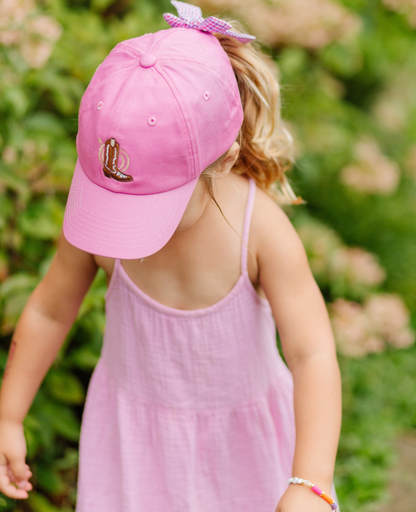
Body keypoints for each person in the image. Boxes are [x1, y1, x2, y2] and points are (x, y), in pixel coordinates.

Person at [0, 2, 342, 511]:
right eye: (113, 198)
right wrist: (7, 416)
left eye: (147, 203)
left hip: (243, 451)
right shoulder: (101, 216)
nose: (120, 220)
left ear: (221, 158)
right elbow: (51, 308)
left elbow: (311, 352)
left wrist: (310, 481)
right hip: (133, 448)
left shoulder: (260, 231)